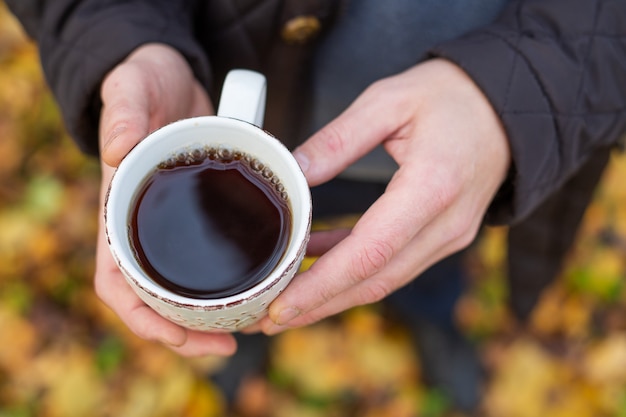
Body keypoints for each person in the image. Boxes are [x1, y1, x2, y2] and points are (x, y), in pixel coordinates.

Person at [6, 0, 626, 412]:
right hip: (229, 108)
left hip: (457, 145)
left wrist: (525, 86)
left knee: (425, 248)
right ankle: (245, 330)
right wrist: (120, 33)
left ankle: (432, 314)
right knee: (270, 276)